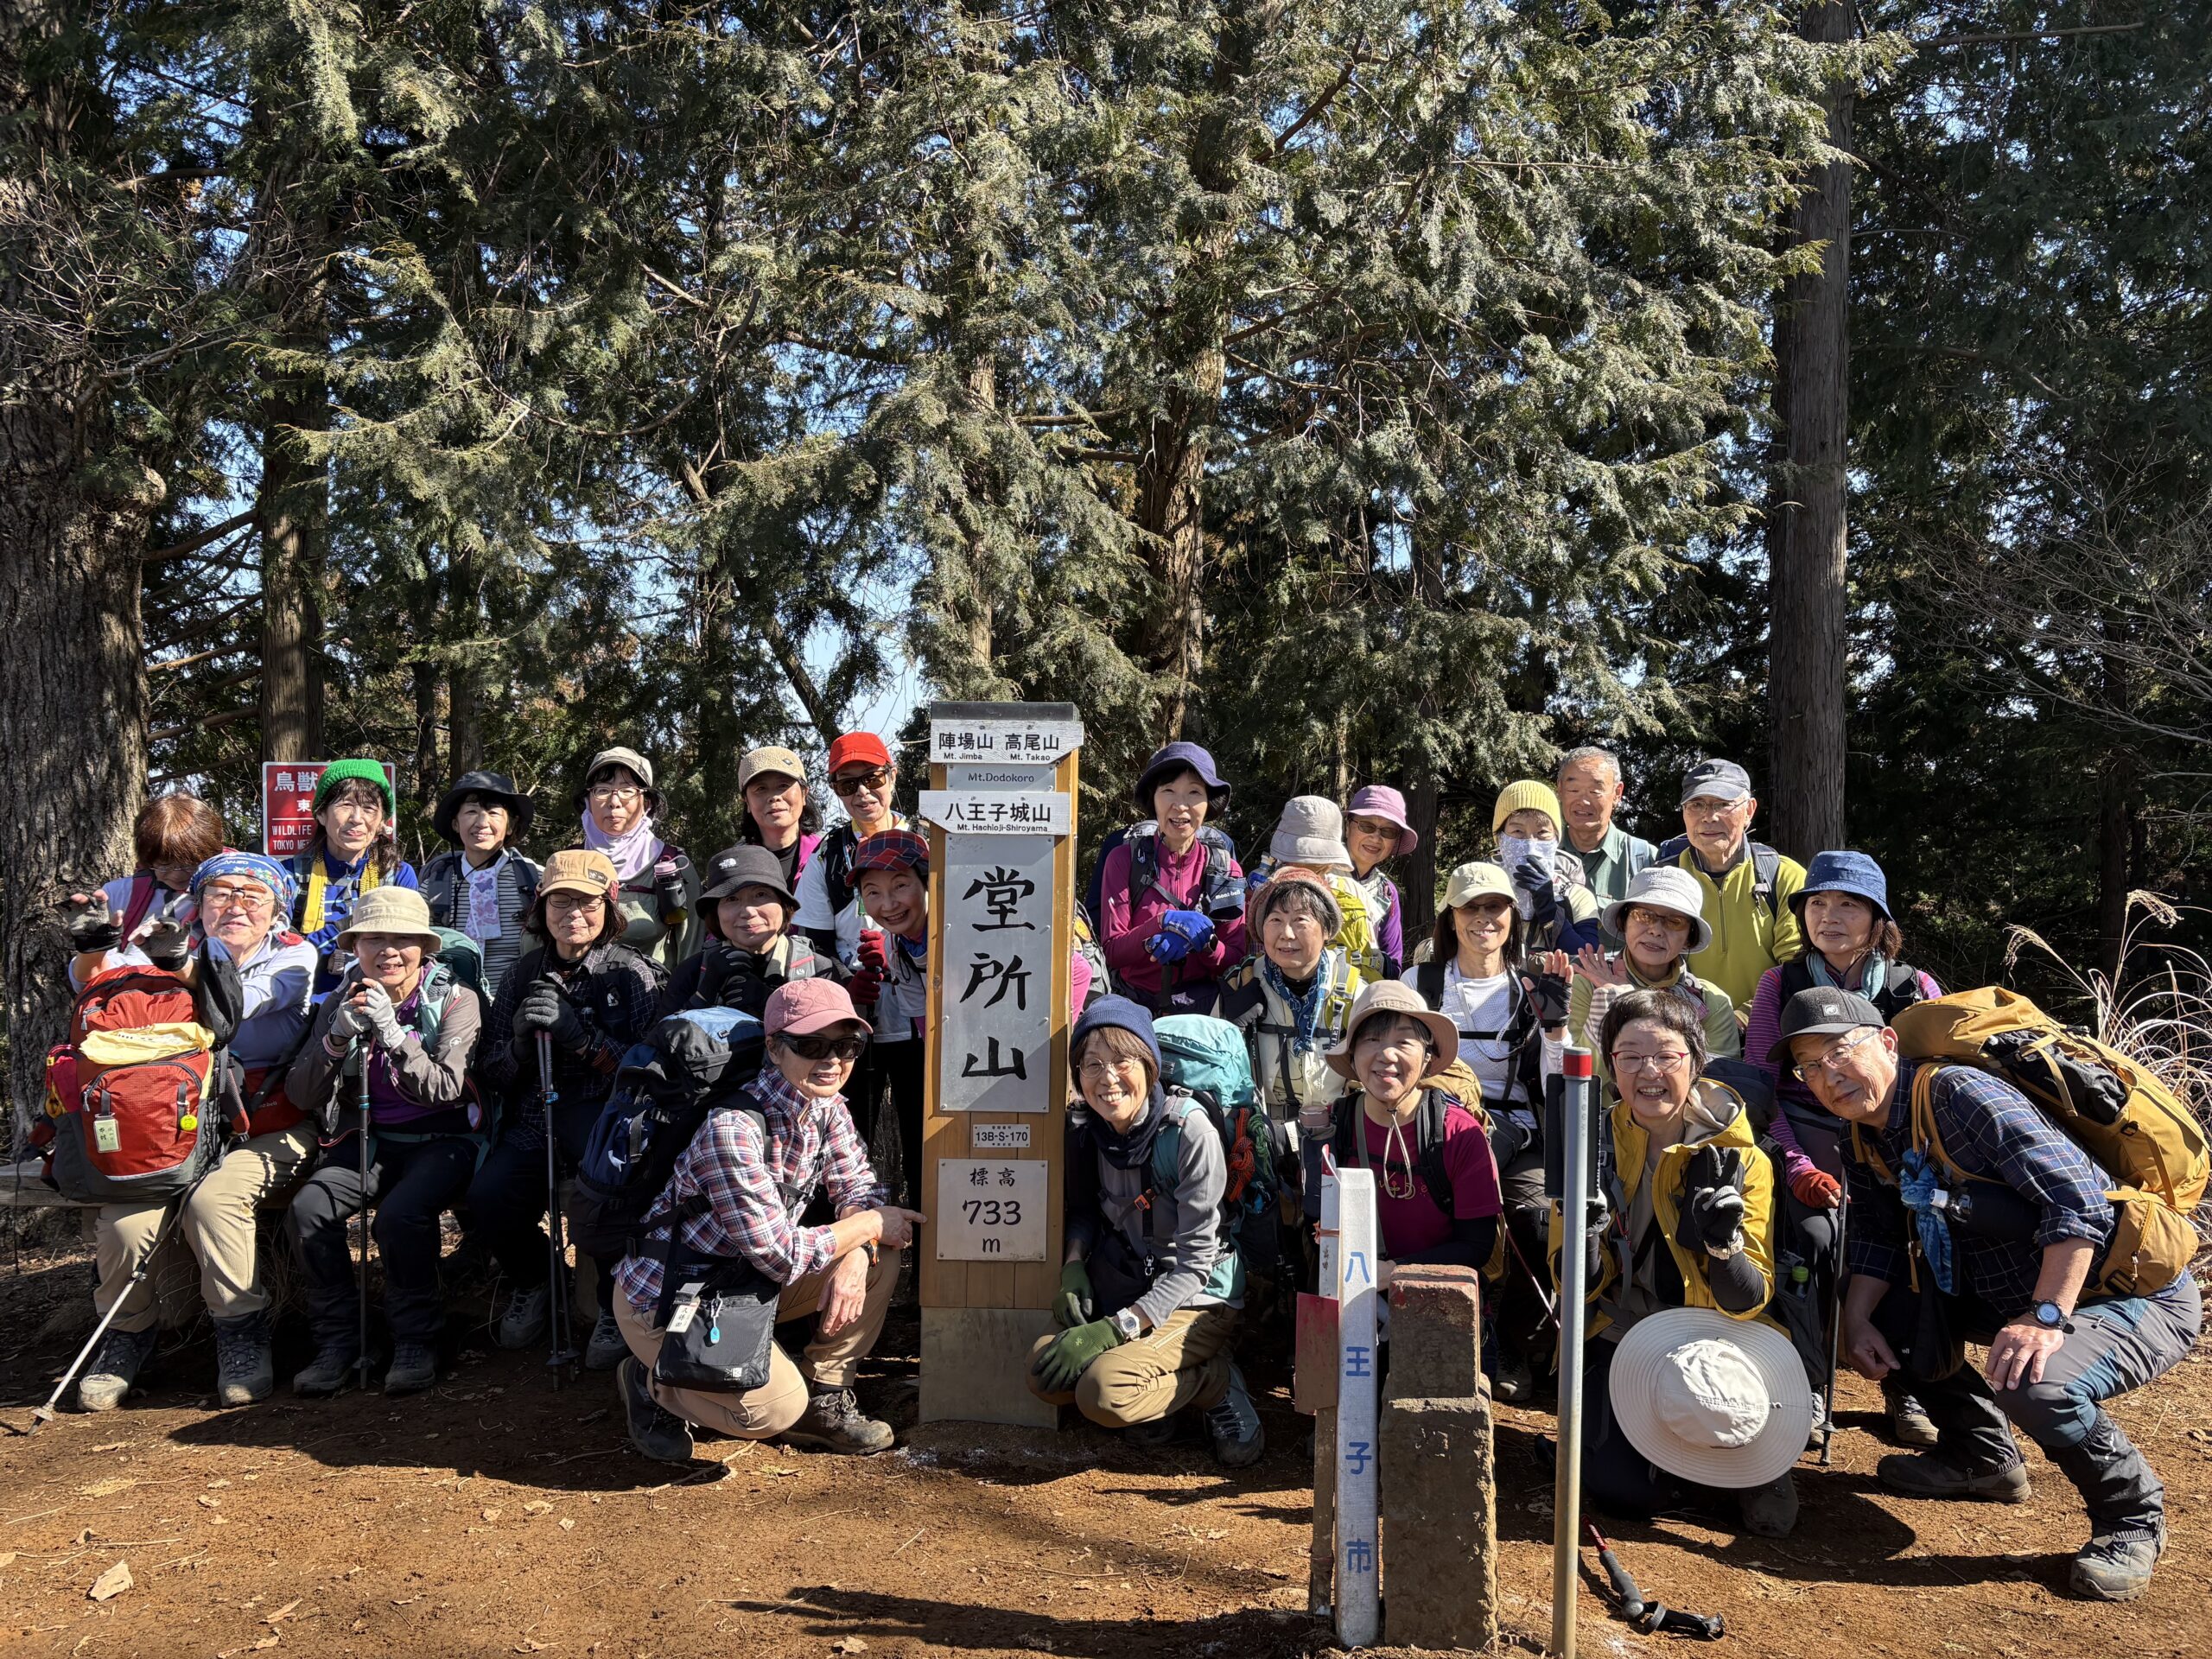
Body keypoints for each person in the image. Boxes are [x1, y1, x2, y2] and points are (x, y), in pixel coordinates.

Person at [1779, 986, 2204, 1601]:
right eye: (1811, 1067)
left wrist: (2045, 1316)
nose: (1829, 1075)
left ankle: (2131, 1518)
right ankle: (1980, 1459)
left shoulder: (1958, 1094)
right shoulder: (1862, 1135)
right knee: (1878, 1315)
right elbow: (1876, 1237)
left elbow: (2078, 1203)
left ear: (1888, 1043)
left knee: (2034, 1381)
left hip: (2122, 1292)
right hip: (2004, 1289)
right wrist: (1856, 1320)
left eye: (1841, 1051)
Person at [613, 980, 925, 1459]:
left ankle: (826, 1396)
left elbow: (858, 1187)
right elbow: (780, 1256)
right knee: (773, 1411)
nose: (832, 1060)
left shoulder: (826, 1107)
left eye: (846, 1046)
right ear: (775, 1049)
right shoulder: (732, 1130)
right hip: (672, 1298)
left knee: (877, 1254)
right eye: (811, 1045)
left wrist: (859, 1253)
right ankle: (653, 1380)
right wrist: (866, 1225)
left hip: (746, 1285)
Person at [70, 853, 317, 1411]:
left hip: (264, 1122)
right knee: (126, 1224)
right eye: (220, 894)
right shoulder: (163, 945)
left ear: (277, 908)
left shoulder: (293, 954)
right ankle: (126, 1336)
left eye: (252, 895)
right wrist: (94, 949)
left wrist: (179, 966)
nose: (236, 906)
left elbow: (237, 1006)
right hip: (168, 1125)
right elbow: (91, 983)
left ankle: (241, 1332)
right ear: (198, 904)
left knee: (213, 1201)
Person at [1560, 988, 1797, 1535]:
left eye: (1666, 1055)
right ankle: (1687, 1461)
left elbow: (1746, 1299)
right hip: (1625, 1325)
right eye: (1630, 1056)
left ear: (1695, 1061)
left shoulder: (1741, 1156)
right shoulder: (1588, 1141)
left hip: (1720, 1334)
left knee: (1719, 1414)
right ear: (1610, 1064)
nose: (1649, 1071)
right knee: (1622, 1493)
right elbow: (1574, 1286)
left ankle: (1750, 1461)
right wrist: (1585, 1237)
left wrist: (1723, 1246)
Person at [1742, 850, 1945, 1446]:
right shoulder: (1779, 984)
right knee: (1812, 1240)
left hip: (1895, 1149)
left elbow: (1933, 1085)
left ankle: (1906, 1382)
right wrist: (1796, 1165)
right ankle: (1808, 1377)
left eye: (1848, 904)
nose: (1829, 916)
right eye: (1818, 903)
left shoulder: (1915, 987)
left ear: (1878, 919)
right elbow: (1762, 1091)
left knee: (1911, 1239)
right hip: (1802, 1137)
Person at [1028, 995, 1263, 1465]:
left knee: (1102, 1392)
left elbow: (1195, 1265)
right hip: (1130, 1281)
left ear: (1150, 1066)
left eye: (1122, 1061)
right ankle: (1153, 1395)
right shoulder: (1087, 1130)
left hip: (1199, 1297)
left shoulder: (1189, 1132)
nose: (1108, 1078)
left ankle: (1215, 1382)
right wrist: (1073, 1266)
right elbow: (1086, 1212)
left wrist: (1112, 1331)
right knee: (1044, 1369)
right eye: (1092, 1065)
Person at [468, 850, 667, 1371]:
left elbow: (651, 1072)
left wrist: (583, 1041)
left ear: (609, 908)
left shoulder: (633, 974)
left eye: (587, 901)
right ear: (541, 907)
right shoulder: (521, 975)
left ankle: (613, 1303)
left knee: (609, 1194)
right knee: (489, 1196)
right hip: (535, 1117)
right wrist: (517, 1048)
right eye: (560, 901)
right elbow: (490, 1070)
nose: (573, 913)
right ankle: (536, 1278)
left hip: (608, 1121)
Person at [284, 887, 483, 1396]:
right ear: (355, 947)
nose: (389, 951)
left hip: (443, 1139)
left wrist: (395, 1036)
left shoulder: (456, 1000)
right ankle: (340, 1340)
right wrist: (335, 1038)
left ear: (425, 947)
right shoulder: (340, 1000)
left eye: (403, 939)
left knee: (400, 1216)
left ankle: (417, 1338)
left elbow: (447, 1089)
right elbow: (301, 1092)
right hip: (367, 1140)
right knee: (309, 1210)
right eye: (374, 939)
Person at [1402, 861, 1569, 1400]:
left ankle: (1516, 1339)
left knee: (1539, 1220)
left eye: (1494, 906)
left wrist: (1555, 1029)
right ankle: (1425, 1330)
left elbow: (1556, 1082)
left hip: (1516, 1127)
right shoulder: (1420, 983)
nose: (1483, 918)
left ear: (1512, 915)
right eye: (1469, 907)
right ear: (1450, 917)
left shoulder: (1529, 986)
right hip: (1431, 1125)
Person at [1322, 981, 1502, 1287]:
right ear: (1352, 1054)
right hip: (1349, 1293)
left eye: (1404, 1042)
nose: (1386, 1055)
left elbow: (1476, 1247)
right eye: (1372, 1040)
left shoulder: (1459, 1134)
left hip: (1437, 1296)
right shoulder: (1334, 1125)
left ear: (1427, 1056)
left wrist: (1394, 1271)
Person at [1096, 742, 1248, 1014]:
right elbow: (1113, 951)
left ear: (1208, 802)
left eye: (1194, 792)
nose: (1180, 806)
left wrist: (1206, 944)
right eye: (1168, 791)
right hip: (1134, 1007)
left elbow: (1235, 959)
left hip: (1201, 1012)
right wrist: (1161, 923)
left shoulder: (1226, 869)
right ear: (1153, 799)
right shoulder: (1124, 860)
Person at [1567, 865, 1738, 1094]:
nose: (1656, 930)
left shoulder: (1711, 1001)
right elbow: (1580, 1079)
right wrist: (1610, 999)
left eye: (1674, 922)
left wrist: (1628, 1000)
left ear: (1690, 937)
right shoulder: (1588, 985)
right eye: (1643, 915)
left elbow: (1716, 1086)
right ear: (1623, 921)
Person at [1651, 759, 1804, 1012]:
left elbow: (1796, 966)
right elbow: (1648, 962)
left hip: (1768, 1024)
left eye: (1722, 804)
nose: (1708, 817)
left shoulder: (1783, 876)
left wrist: (1745, 1017)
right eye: (1696, 805)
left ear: (1749, 811)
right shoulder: (1663, 878)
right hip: (1684, 1024)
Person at [62, 791, 227, 990]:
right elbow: (85, 984)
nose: (177, 875)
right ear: (148, 860)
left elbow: (231, 986)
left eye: (190, 865)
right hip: (129, 1003)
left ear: (211, 856)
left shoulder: (233, 896)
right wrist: (91, 950)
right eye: (164, 865)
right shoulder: (120, 894)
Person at [847, 829, 933, 1205]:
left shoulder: (961, 926)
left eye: (900, 885)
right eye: (873, 892)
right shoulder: (896, 947)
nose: (888, 904)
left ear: (927, 881)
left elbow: (1076, 971)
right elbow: (927, 1029)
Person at [287, 759, 421, 994]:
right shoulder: (290, 875)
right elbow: (279, 952)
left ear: (382, 822)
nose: (357, 818)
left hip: (377, 998)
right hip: (300, 1001)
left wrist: (325, 938)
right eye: (346, 805)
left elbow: (406, 947)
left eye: (369, 808)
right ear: (321, 814)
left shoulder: (397, 875)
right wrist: (355, 926)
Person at [659, 843, 835, 1019]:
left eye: (761, 895)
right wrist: (702, 997)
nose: (748, 911)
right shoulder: (693, 972)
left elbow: (838, 1034)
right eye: (732, 899)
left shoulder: (817, 970)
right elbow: (660, 1035)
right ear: (715, 912)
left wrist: (771, 1004)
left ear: (783, 904)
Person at [574, 746, 702, 968]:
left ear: (646, 803)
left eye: (627, 790)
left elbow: (691, 953)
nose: (614, 801)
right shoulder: (569, 863)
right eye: (602, 790)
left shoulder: (672, 865)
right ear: (588, 801)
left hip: (651, 988)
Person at [420, 770, 543, 1001]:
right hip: (450, 1005)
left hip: (518, 1003)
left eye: (494, 812)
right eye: (471, 812)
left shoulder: (536, 881)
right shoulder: (434, 886)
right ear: (455, 823)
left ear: (510, 825)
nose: (482, 822)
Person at [793, 731, 911, 969]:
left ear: (892, 776)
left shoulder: (929, 843)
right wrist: (848, 983)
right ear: (835, 790)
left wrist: (899, 951)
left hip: (925, 981)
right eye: (848, 785)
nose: (862, 791)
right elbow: (816, 945)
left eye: (873, 778)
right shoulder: (826, 856)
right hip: (852, 986)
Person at [1247, 798, 1386, 981]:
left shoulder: (1265, 890)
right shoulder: (1354, 890)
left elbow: (1255, 951)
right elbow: (1373, 955)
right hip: (1346, 989)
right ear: (1330, 860)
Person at [1555, 746, 1656, 944]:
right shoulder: (1542, 853)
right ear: (1560, 790)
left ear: (1617, 793)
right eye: (1573, 790)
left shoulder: (1645, 859)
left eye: (1595, 791)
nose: (1583, 801)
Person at [1491, 780, 1601, 955]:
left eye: (1542, 833)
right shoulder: (1479, 891)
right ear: (1500, 838)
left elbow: (1589, 958)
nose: (1530, 844)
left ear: (1556, 838)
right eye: (1518, 832)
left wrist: (1550, 909)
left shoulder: (1576, 896)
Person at [1344, 785, 1415, 981]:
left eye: (1388, 831)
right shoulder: (1319, 873)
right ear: (1348, 827)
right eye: (1366, 826)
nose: (1376, 838)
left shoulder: (1386, 892)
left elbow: (1394, 965)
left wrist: (1376, 961)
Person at [736, 745, 823, 898]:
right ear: (747, 802)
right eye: (761, 788)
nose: (774, 797)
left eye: (783, 786)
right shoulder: (736, 866)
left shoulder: (828, 854)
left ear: (804, 794)